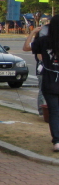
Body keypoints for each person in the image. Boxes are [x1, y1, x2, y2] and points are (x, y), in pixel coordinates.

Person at [32, 15, 59, 151]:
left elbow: (28, 48)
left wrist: (33, 33)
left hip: (49, 81)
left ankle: (57, 141)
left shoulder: (43, 41)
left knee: (54, 112)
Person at [24, 24, 48, 116]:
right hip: (43, 70)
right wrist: (33, 32)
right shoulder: (41, 42)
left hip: (50, 70)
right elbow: (27, 48)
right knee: (43, 90)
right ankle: (42, 111)